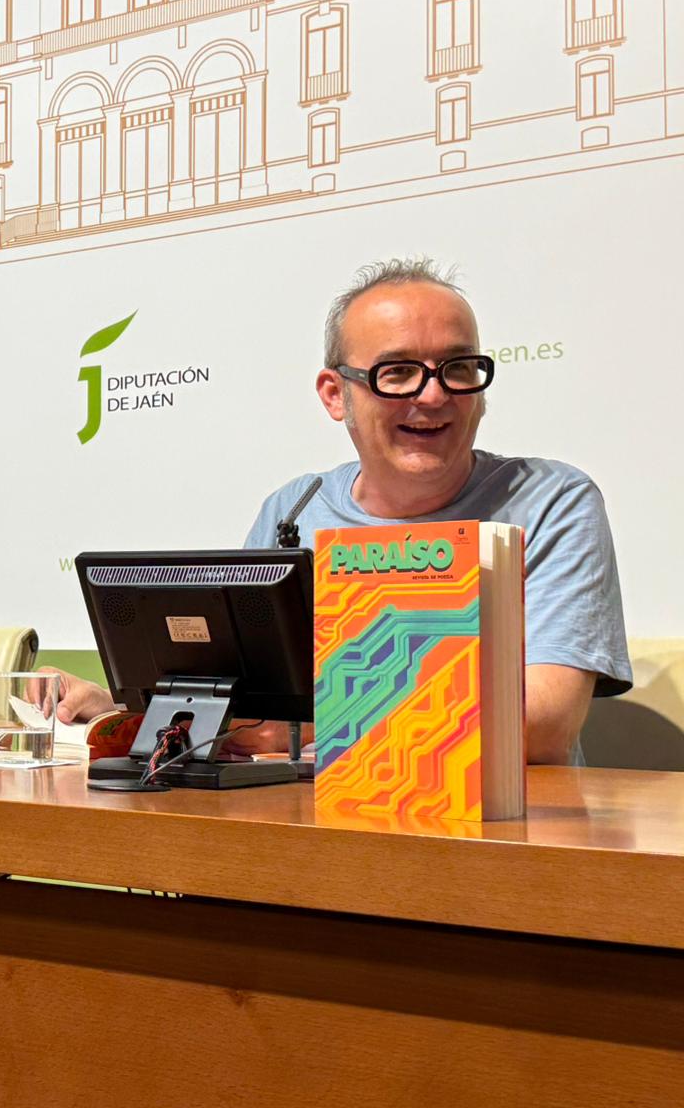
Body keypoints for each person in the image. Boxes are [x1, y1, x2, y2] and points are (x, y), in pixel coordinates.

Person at [47, 258, 630, 765]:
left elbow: (544, 725)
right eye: (396, 372)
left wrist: (305, 728)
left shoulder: (552, 501)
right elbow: (241, 706)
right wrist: (118, 714)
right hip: (304, 826)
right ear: (335, 394)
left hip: (487, 839)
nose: (433, 396)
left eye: (457, 369)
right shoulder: (293, 509)